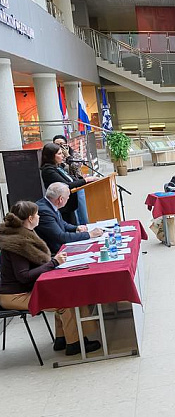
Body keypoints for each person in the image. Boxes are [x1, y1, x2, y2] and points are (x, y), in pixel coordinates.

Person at [0, 201, 101, 356]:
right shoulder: (18, 243)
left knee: (64, 292)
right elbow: (23, 276)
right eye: (37, 214)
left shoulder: (21, 234)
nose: (39, 217)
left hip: (20, 290)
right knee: (65, 301)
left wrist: (53, 261)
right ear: (30, 218)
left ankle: (61, 339)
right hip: (14, 296)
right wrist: (54, 263)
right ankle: (74, 344)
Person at [40, 142, 99, 226]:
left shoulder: (59, 167)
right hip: (63, 207)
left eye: (62, 153)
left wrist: (87, 180)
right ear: (51, 156)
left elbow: (72, 180)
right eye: (59, 154)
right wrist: (86, 180)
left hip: (70, 204)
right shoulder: (48, 170)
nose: (62, 156)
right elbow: (66, 185)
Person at [34, 183, 103, 254]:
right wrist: (89, 234)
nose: (68, 199)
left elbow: (61, 223)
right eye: (68, 197)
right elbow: (61, 237)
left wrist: (76, 228)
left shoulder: (49, 204)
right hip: (54, 252)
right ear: (61, 199)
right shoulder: (44, 211)